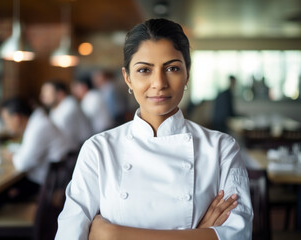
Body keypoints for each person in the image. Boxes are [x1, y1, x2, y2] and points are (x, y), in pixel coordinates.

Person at [56, 18, 253, 240]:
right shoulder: (98, 150)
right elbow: (69, 233)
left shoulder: (222, 148)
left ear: (187, 74)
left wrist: (112, 235)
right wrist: (199, 235)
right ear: (127, 78)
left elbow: (238, 234)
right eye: (144, 70)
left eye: (172, 68)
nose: (159, 83)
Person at [0, 97, 71, 198]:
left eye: (6, 120)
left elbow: (22, 164)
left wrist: (12, 157)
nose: (6, 124)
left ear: (16, 118)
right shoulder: (37, 122)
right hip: (49, 181)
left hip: (45, 187)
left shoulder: (38, 126)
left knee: (2, 196)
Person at [40, 80, 92, 150]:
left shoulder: (69, 108)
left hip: (80, 149)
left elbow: (60, 138)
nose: (42, 96)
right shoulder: (57, 107)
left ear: (60, 94)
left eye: (46, 92)